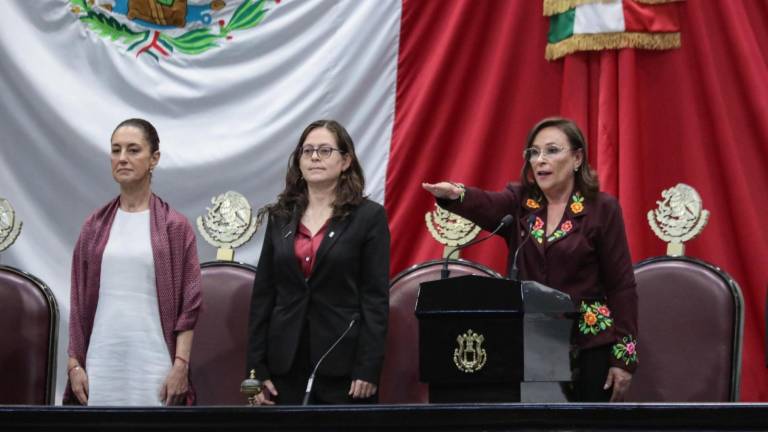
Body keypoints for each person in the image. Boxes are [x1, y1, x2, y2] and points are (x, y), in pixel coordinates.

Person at [422, 117, 638, 402]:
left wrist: (623, 360)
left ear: (577, 158)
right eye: (533, 153)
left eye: (551, 151)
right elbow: (488, 205)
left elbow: (621, 286)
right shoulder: (520, 202)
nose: (540, 160)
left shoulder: (602, 208)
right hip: (532, 344)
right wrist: (457, 195)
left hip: (588, 346)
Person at [246, 120, 390, 405]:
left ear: (346, 160)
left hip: (344, 366)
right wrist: (255, 371)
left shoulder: (369, 217)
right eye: (307, 150)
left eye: (325, 151)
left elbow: (375, 299)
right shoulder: (281, 217)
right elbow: (264, 296)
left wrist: (368, 368)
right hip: (283, 364)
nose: (314, 157)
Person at [65, 118, 202, 406]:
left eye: (133, 150)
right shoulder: (94, 226)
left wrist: (181, 365)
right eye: (116, 150)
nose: (122, 158)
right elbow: (78, 303)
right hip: (100, 365)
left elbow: (189, 306)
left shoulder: (174, 227)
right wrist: (74, 364)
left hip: (155, 365)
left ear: (154, 159)